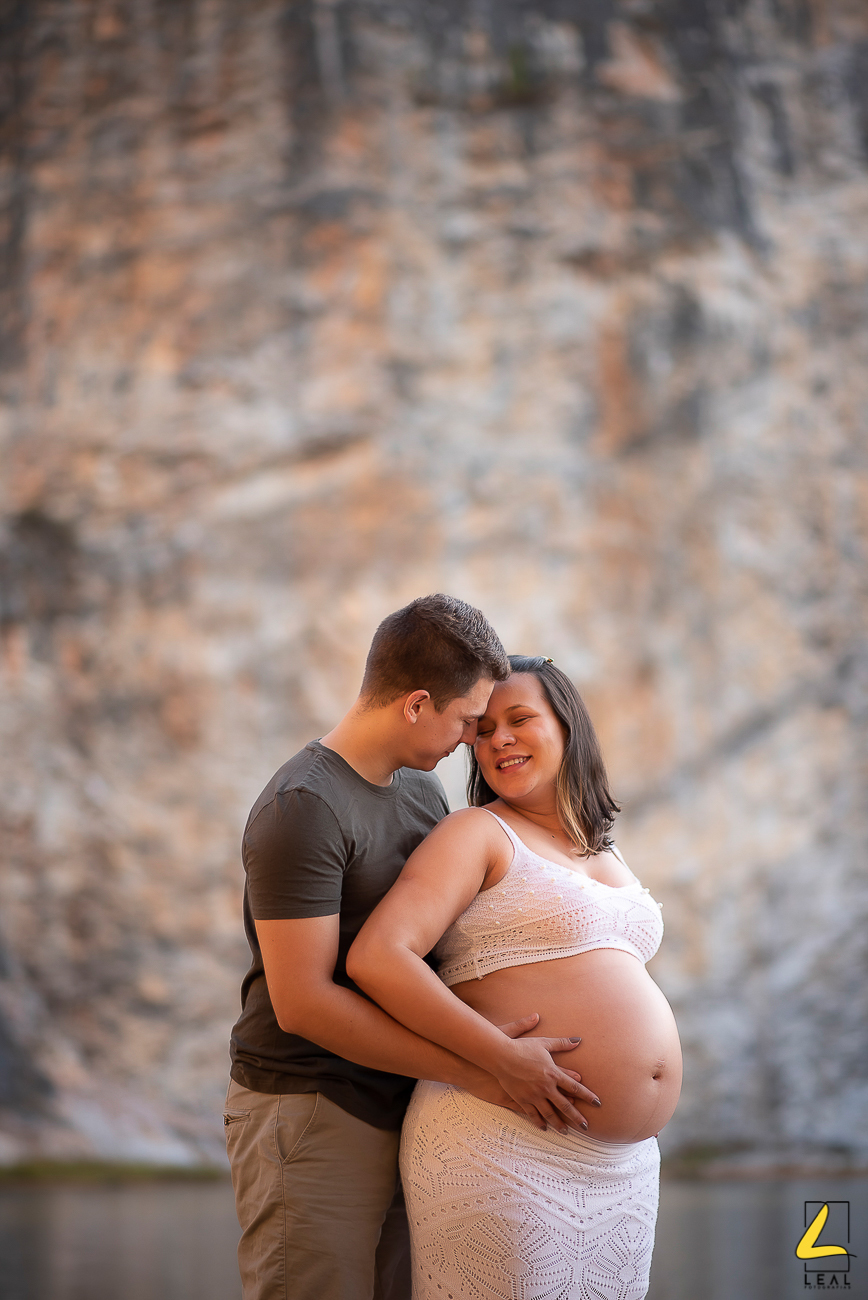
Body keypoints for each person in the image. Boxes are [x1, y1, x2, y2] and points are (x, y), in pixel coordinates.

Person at [225, 602, 599, 1300]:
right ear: (417, 704)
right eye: (466, 721)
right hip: (312, 1108)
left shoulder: (419, 788)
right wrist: (484, 1066)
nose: (469, 741)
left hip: (404, 1107)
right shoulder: (302, 807)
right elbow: (304, 1004)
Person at [348, 655, 683, 1300]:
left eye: (520, 719)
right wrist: (501, 1058)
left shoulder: (603, 851)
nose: (498, 738)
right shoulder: (477, 832)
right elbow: (378, 957)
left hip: (625, 1167)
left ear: (568, 728)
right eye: (484, 727)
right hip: (503, 1140)